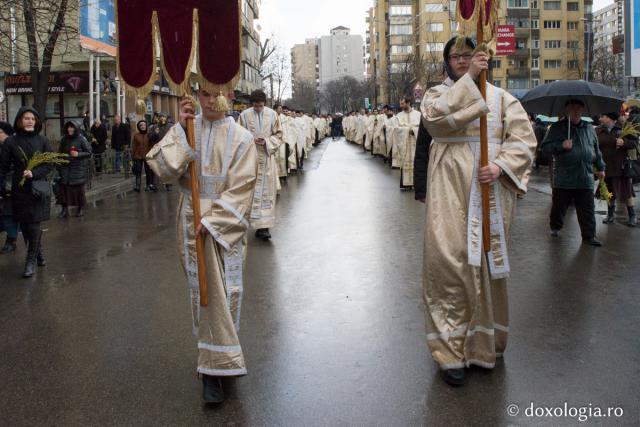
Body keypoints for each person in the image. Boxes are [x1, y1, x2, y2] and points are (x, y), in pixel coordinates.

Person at [420, 36, 536, 386]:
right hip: (449, 188)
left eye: (468, 55)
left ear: (483, 57)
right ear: (447, 62)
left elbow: (525, 142)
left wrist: (500, 166)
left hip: (490, 189)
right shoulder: (436, 95)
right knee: (450, 261)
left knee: (486, 261)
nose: (462, 60)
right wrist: (470, 80)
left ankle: (485, 344)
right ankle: (450, 351)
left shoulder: (504, 100)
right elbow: (436, 121)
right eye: (455, 57)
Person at [146, 91, 257, 403]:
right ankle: (212, 369)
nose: (209, 100)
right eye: (204, 93)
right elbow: (164, 170)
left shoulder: (241, 137)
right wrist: (181, 130)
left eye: (216, 93)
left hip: (223, 226)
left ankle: (219, 364)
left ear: (230, 95)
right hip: (190, 222)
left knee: (228, 292)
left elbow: (243, 186)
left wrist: (215, 220)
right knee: (203, 294)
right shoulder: (188, 129)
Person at [541, 99, 606, 246]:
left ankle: (589, 236)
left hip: (585, 176)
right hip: (564, 177)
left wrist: (601, 167)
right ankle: (555, 227)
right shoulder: (557, 128)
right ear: (567, 110)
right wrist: (561, 145)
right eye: (572, 108)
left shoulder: (589, 128)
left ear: (582, 110)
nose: (576, 111)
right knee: (559, 206)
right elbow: (545, 148)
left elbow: (596, 150)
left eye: (578, 108)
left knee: (587, 209)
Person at [0, 107, 55, 278]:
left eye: (32, 118)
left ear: (36, 122)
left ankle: (29, 262)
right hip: (19, 190)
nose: (30, 121)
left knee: (34, 224)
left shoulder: (43, 140)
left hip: (37, 189)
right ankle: (38, 254)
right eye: (26, 118)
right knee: (24, 224)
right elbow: (3, 166)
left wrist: (34, 173)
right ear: (19, 121)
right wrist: (2, 186)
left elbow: (49, 164)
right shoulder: (11, 142)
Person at [238, 90, 283, 241]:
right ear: (252, 104)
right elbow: (238, 136)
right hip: (250, 159)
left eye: (261, 106)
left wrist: (266, 142)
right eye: (256, 106)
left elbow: (279, 134)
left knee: (266, 193)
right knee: (250, 191)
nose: (258, 108)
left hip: (266, 158)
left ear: (265, 104)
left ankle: (264, 227)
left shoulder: (272, 115)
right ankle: (249, 222)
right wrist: (250, 142)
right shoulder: (244, 116)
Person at [597, 112, 637, 226]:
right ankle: (610, 214)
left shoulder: (623, 130)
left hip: (621, 167)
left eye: (603, 116)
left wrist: (624, 142)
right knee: (609, 192)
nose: (601, 118)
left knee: (627, 192)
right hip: (606, 167)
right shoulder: (598, 131)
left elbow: (634, 143)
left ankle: (632, 215)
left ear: (611, 119)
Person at [56, 121, 92, 218]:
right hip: (65, 168)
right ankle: (64, 210)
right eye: (68, 128)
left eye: (72, 128)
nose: (70, 129)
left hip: (77, 169)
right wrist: (58, 163)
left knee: (78, 191)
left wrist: (78, 154)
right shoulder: (64, 139)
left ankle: (80, 208)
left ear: (76, 128)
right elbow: (60, 152)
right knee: (64, 190)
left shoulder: (81, 139)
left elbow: (89, 153)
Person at [0, 121, 20, 253]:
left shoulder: (14, 147)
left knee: (9, 214)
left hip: (10, 187)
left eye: (0, 133)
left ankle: (11, 240)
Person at [394, 97, 421, 190]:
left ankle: (416, 184)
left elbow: (422, 128)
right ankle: (405, 184)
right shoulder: (398, 116)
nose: (401, 106)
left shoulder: (418, 115)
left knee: (416, 163)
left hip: (414, 143)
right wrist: (406, 130)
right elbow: (396, 129)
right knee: (405, 162)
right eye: (400, 104)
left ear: (408, 103)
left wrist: (413, 130)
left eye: (402, 104)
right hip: (404, 143)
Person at [131, 120, 156, 192]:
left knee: (148, 171)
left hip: (147, 155)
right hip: (138, 156)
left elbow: (153, 144)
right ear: (139, 127)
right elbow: (134, 146)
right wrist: (132, 156)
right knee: (138, 171)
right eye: (141, 125)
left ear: (146, 126)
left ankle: (148, 185)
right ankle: (137, 186)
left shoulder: (149, 134)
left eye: (144, 125)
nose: (143, 126)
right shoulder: (136, 135)